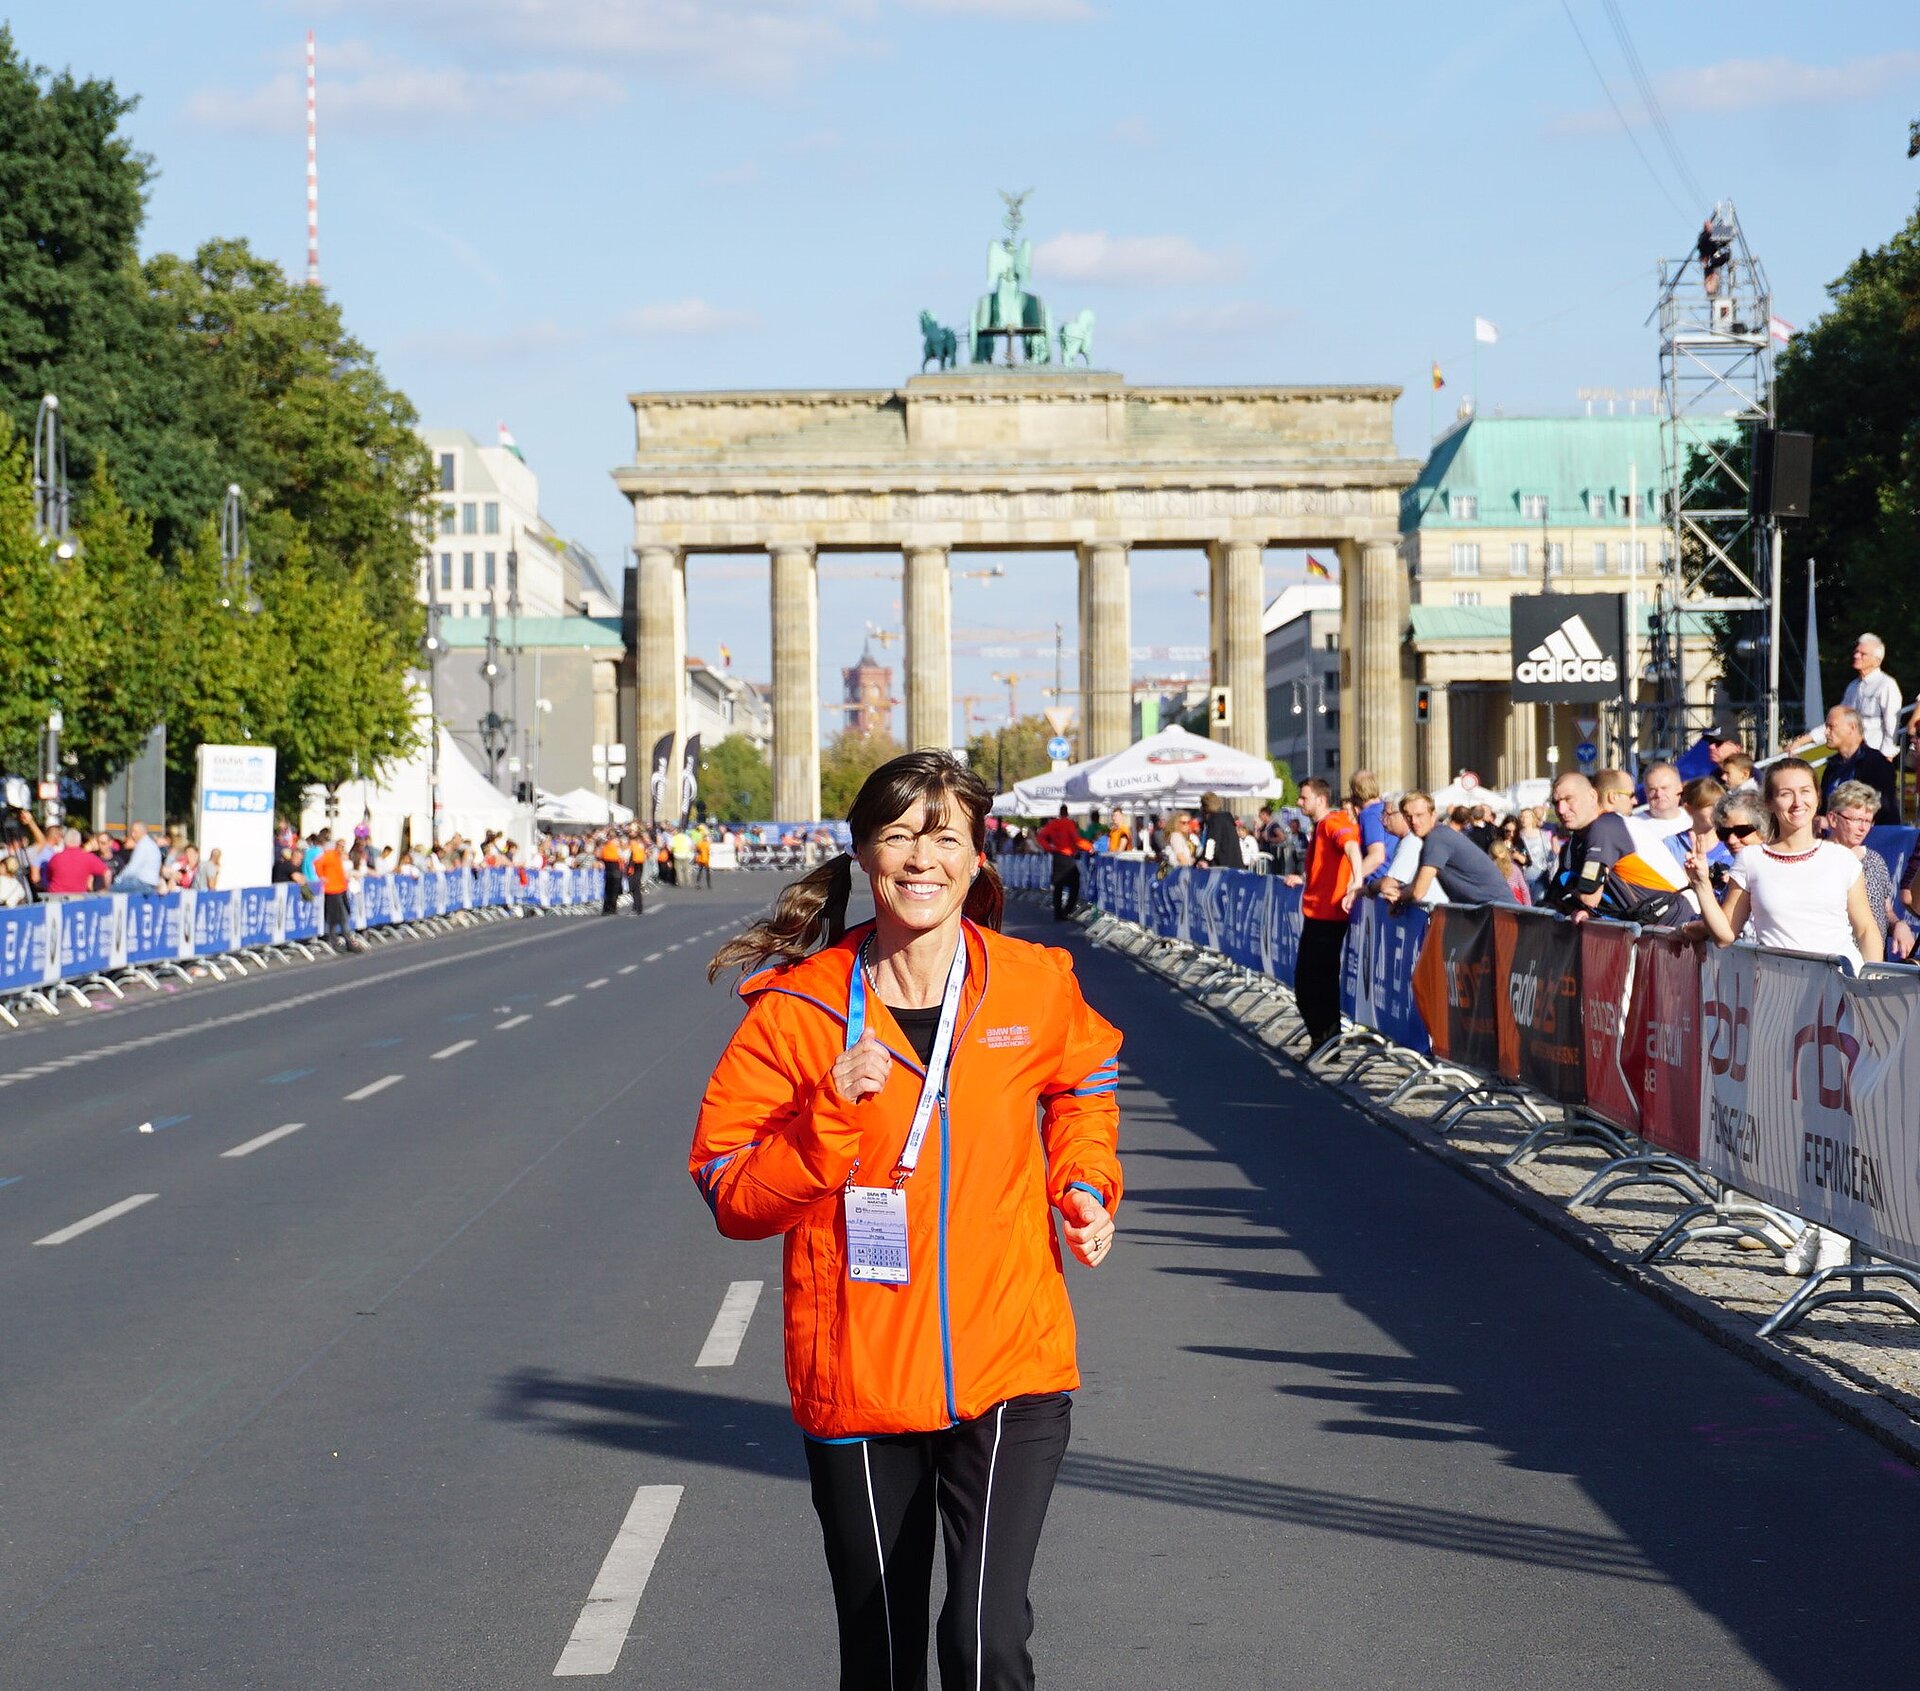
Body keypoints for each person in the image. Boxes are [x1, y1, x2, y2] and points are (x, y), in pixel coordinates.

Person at [693, 752, 1121, 1691]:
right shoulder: (797, 1012)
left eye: (946, 839)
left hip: (1009, 1355)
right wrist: (825, 1120)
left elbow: (1083, 1081)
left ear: (978, 859)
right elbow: (730, 1190)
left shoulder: (1033, 983)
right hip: (858, 1371)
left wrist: (1084, 1178)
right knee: (881, 1659)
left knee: (981, 1642)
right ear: (861, 853)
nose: (921, 861)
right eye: (897, 837)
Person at [1686, 759, 1883, 1279]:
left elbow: (1866, 928)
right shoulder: (1752, 861)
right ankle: (1809, 1225)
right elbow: (1728, 933)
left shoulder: (1841, 860)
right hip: (1776, 1005)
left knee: (1837, 1123)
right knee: (1790, 1124)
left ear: (1817, 798)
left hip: (1837, 1001)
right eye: (1785, 794)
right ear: (1771, 803)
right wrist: (1703, 885)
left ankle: (1837, 1236)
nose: (1797, 802)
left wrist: (1869, 980)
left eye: (1805, 792)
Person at [1282, 777, 1363, 1054]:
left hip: (1329, 915)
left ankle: (1327, 1041)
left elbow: (1351, 846)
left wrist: (1358, 879)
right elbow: (1325, 865)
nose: (1299, 802)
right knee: (1311, 983)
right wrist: (1304, 877)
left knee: (1315, 984)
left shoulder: (1333, 822)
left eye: (1303, 798)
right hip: (1318, 913)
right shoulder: (1320, 828)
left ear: (1320, 799)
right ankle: (1323, 1040)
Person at [1543, 773, 1684, 922]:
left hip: (1678, 924)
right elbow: (1553, 898)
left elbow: (1588, 896)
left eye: (1568, 799)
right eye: (1556, 802)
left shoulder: (1605, 827)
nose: (1561, 809)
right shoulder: (1574, 842)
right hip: (1650, 927)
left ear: (1592, 796)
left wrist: (1570, 897)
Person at [1825, 780, 1915, 959]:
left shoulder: (1874, 860)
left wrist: (1899, 924)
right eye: (1856, 819)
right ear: (1833, 818)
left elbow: (1885, 910)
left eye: (1868, 821)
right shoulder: (1818, 859)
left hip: (1872, 966)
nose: (1863, 828)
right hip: (1831, 964)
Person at [1381, 791, 1517, 906]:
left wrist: (1398, 896)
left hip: (1502, 917)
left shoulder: (1437, 838)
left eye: (1419, 815)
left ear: (1433, 814)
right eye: (1408, 816)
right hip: (1489, 914)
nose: (1414, 821)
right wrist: (1400, 895)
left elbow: (1418, 891)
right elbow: (1416, 885)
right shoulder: (1436, 837)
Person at [1791, 632, 1904, 757]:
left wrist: (1887, 756)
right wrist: (1800, 741)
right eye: (1856, 652)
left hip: (1874, 755)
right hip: (1851, 756)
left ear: (1876, 661)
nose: (1856, 656)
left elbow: (1892, 724)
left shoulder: (1886, 685)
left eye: (1863, 654)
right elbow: (1837, 722)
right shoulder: (1853, 687)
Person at [1813, 705, 1899, 824]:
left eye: (1831, 726)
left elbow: (1882, 811)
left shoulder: (1877, 764)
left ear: (1851, 727)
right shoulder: (1832, 766)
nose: (1826, 732)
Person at [1036, 804, 1083, 920]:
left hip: (1056, 855)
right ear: (1067, 813)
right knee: (1075, 884)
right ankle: (1067, 910)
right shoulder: (1069, 824)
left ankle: (1058, 913)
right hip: (1067, 856)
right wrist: (1089, 847)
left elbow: (1041, 837)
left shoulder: (1053, 824)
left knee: (1058, 885)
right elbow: (1076, 839)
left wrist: (1049, 847)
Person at [40, 827, 111, 897]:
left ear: (64, 842)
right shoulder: (88, 857)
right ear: (79, 842)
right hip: (78, 899)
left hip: (56, 898)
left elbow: (48, 877)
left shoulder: (55, 858)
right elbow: (107, 872)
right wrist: (105, 889)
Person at [314, 833, 354, 949]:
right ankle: (339, 941)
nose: (342, 848)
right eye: (340, 846)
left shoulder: (337, 857)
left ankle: (339, 939)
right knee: (338, 917)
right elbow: (317, 864)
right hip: (332, 890)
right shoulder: (329, 855)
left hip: (341, 888)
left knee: (342, 915)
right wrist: (322, 876)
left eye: (343, 846)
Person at [1350, 771, 1390, 885]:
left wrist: (1350, 880)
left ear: (1355, 791)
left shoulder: (1369, 814)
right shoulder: (1385, 808)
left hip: (1376, 882)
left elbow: (1376, 856)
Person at [1193, 792, 1240, 872]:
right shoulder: (1227, 819)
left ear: (1205, 807)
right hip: (1235, 866)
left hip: (1222, 869)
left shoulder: (1215, 820)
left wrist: (1204, 860)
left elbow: (1212, 843)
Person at [1636, 762, 1688, 834]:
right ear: (1645, 792)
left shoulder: (1694, 820)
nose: (1659, 794)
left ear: (1679, 788)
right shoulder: (1634, 826)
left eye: (1664, 788)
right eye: (1652, 789)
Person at [114, 820, 163, 894]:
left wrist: (118, 879)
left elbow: (132, 868)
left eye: (134, 832)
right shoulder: (151, 844)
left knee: (108, 890)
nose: (132, 835)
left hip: (141, 884)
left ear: (141, 831)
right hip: (151, 884)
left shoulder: (142, 845)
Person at [598, 832, 625, 915]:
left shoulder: (604, 848)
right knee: (614, 892)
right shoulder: (617, 849)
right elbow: (622, 858)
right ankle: (612, 909)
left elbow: (601, 857)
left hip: (608, 871)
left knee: (607, 890)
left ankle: (606, 909)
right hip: (616, 871)